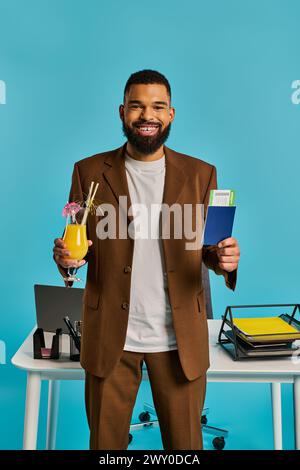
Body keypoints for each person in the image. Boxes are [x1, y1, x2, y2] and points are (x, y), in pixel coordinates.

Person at [53, 69, 240, 450]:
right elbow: (78, 246)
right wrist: (67, 259)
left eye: (157, 106)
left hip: (178, 340)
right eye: (137, 106)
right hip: (110, 337)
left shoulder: (202, 174)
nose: (147, 115)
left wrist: (224, 260)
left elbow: (210, 248)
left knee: (185, 449)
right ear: (123, 112)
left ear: (171, 114)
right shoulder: (88, 172)